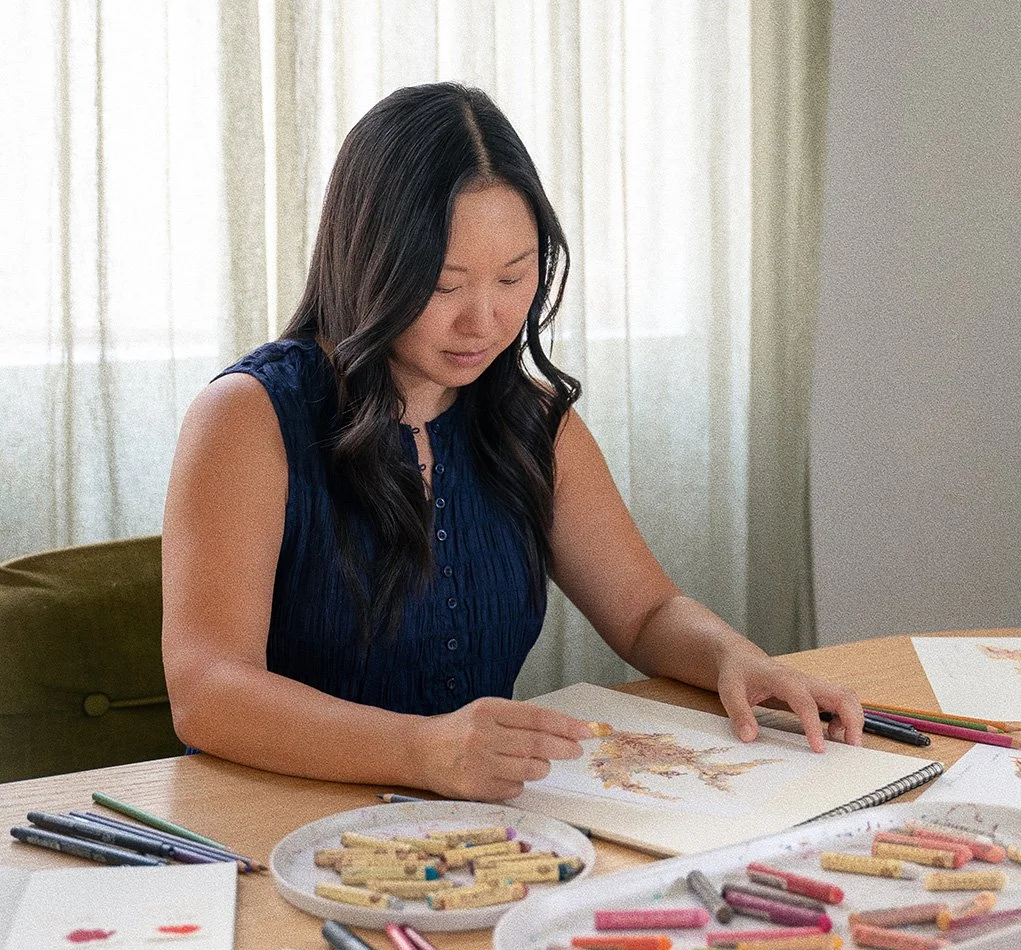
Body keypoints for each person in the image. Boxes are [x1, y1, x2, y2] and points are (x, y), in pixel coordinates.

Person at [162, 82, 863, 802]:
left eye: (512, 277)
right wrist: (421, 751)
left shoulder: (531, 420)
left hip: (474, 829)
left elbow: (645, 613)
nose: (484, 320)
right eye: (444, 286)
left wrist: (734, 657)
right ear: (365, 263)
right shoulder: (247, 417)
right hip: (274, 818)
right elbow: (207, 689)